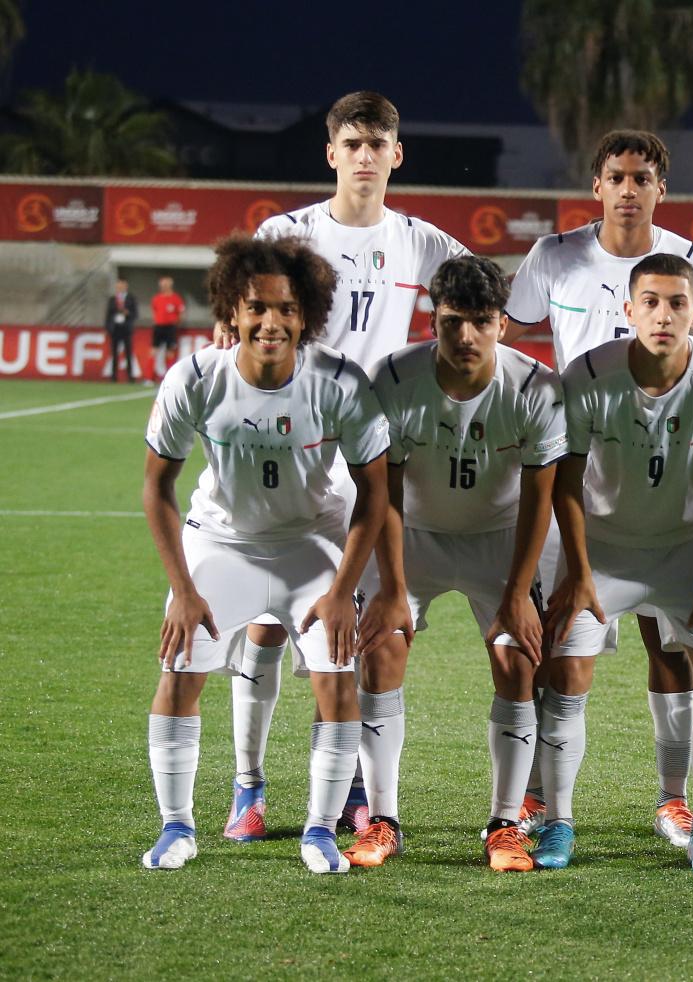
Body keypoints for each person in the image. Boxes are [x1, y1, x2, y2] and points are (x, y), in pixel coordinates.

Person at [221, 91, 469, 846]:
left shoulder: (427, 245)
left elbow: (476, 318)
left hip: (374, 466)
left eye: (378, 143)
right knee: (266, 625)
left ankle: (360, 788)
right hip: (289, 452)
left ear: (398, 155)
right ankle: (249, 788)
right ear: (331, 153)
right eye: (352, 143)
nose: (365, 155)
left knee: (362, 631)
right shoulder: (284, 233)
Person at [505, 129, 693, 848]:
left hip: (671, 490)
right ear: (597, 185)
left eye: (643, 177)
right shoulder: (554, 256)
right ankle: (542, 800)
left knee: (668, 649)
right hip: (587, 478)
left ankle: (675, 804)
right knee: (561, 653)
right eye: (617, 176)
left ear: (661, 188)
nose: (629, 189)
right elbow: (507, 336)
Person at [140, 234, 390, 874]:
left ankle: (320, 830)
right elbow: (157, 486)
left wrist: (342, 592)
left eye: (284, 309)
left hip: (310, 543)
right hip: (222, 542)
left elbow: (375, 494)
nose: (270, 322)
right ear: (232, 312)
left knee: (337, 682)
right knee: (179, 673)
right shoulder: (195, 378)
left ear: (304, 315)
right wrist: (184, 590)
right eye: (256, 308)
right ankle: (177, 826)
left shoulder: (340, 382)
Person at [535, 253, 693, 876]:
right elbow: (566, 483)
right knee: (568, 676)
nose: (664, 315)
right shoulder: (588, 374)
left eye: (677, 303)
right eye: (651, 303)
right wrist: (576, 573)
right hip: (601, 548)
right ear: (627, 310)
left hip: (688, 548)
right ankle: (559, 823)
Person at [356, 256, 567, 870]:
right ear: (433, 319)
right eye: (453, 322)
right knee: (381, 649)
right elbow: (383, 492)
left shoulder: (535, 387)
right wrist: (393, 586)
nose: (467, 337)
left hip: (500, 537)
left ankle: (505, 824)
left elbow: (539, 497)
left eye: (482, 321)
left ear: (504, 323)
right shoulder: (392, 378)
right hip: (412, 534)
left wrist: (518, 593)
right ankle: (383, 820)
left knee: (517, 658)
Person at [149, 276, 186, 381]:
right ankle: (150, 377)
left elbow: (181, 313)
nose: (163, 286)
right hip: (158, 327)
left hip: (170, 327)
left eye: (166, 284)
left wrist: (176, 324)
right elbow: (154, 312)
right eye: (162, 284)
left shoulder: (176, 298)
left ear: (170, 285)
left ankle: (170, 376)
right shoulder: (156, 298)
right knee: (153, 351)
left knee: (170, 352)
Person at [105, 280, 138, 382]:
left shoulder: (131, 298)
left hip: (126, 328)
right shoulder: (113, 299)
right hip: (115, 328)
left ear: (126, 287)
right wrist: (108, 327)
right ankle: (113, 376)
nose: (120, 288)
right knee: (114, 353)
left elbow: (135, 313)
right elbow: (108, 314)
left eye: (122, 286)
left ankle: (130, 376)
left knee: (128, 352)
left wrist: (128, 313)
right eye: (118, 286)